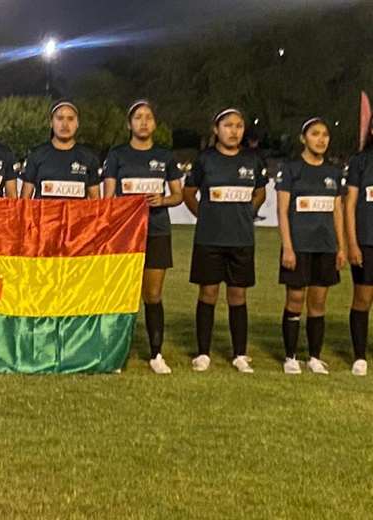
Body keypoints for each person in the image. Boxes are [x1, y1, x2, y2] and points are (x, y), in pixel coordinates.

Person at [183, 108, 268, 373]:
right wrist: (206, 216)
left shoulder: (253, 159)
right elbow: (189, 194)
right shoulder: (205, 159)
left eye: (239, 125)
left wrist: (246, 214)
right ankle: (203, 353)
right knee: (208, 293)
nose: (234, 130)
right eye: (228, 125)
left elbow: (261, 194)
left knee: (238, 295)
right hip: (209, 239)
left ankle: (240, 354)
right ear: (216, 129)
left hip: (241, 239)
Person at [103, 100, 183, 374]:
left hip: (157, 231)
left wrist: (163, 200)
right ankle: (116, 355)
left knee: (153, 293)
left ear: (155, 124)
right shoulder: (117, 155)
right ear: (129, 124)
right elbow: (109, 198)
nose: (144, 122)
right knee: (121, 293)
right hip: (124, 234)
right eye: (138, 117)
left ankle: (156, 354)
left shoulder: (165, 156)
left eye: (149, 117)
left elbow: (178, 195)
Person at [276, 117, 345, 374]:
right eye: (315, 134)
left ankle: (314, 357)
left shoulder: (334, 172)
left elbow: (337, 211)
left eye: (325, 134)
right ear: (303, 138)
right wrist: (288, 247)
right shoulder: (291, 169)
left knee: (318, 302)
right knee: (295, 299)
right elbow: (282, 212)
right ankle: (291, 357)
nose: (321, 139)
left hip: (325, 247)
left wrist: (341, 247)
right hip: (299, 246)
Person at [20, 100, 101, 200]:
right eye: (60, 118)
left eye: (70, 119)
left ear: (77, 123)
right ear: (51, 122)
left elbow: (96, 204)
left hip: (77, 216)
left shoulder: (89, 157)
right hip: (46, 215)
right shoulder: (36, 155)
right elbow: (24, 203)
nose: (65, 124)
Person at [345, 117, 373, 376]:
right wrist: (352, 243)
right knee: (362, 298)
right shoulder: (360, 161)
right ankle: (359, 356)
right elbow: (350, 205)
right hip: (366, 241)